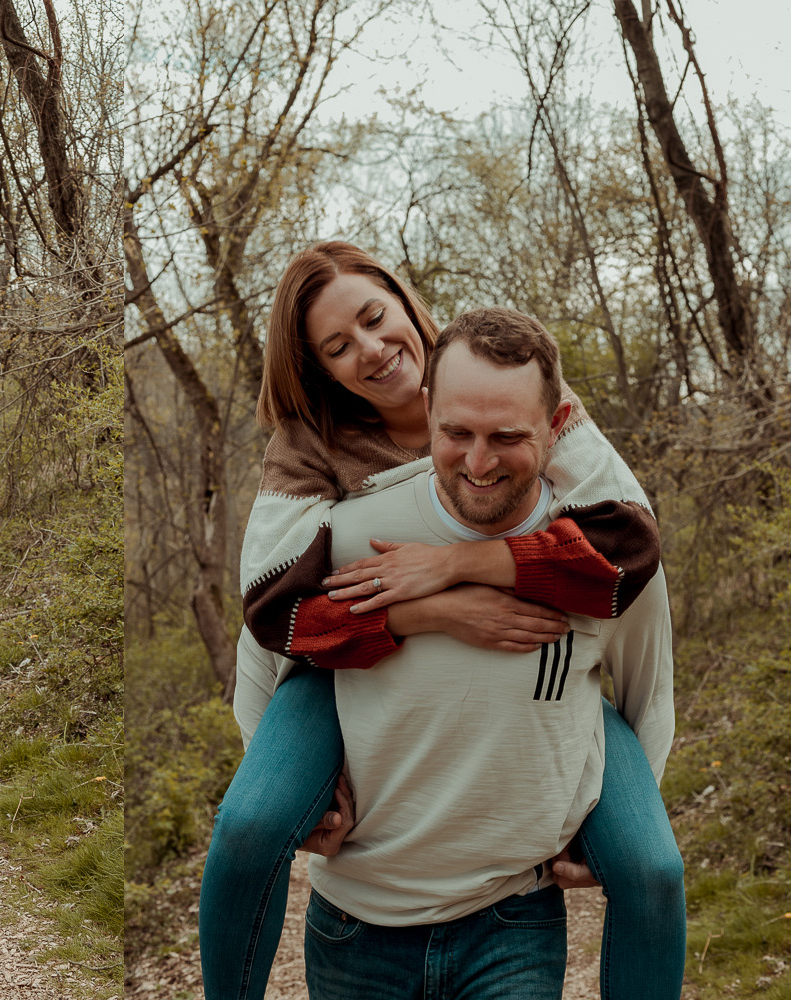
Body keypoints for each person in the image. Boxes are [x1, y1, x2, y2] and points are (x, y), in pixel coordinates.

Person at [198, 244, 684, 999]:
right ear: (319, 369)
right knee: (249, 829)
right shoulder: (310, 444)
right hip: (345, 664)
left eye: (373, 317)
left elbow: (627, 542)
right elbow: (273, 610)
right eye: (337, 346)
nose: (370, 349)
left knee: (653, 868)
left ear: (403, 300)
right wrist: (431, 611)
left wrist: (461, 564)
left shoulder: (509, 385)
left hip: (542, 706)